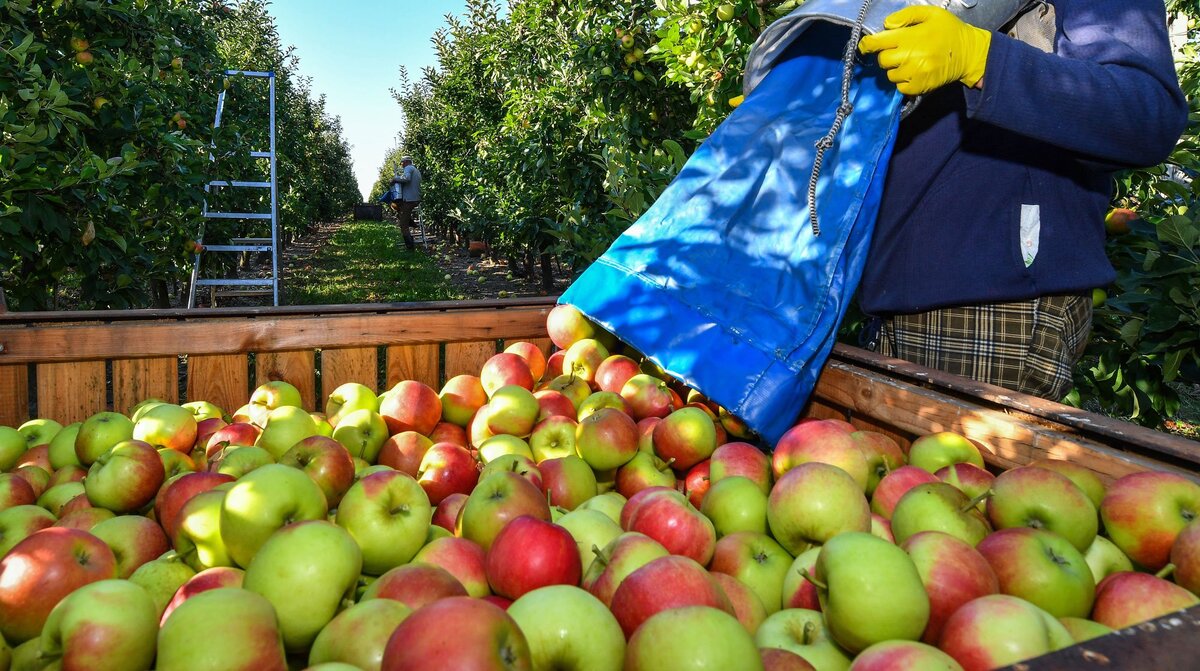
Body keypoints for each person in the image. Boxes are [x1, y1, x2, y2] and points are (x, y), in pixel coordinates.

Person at [854, 1, 1187, 400]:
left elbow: (1144, 114)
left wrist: (982, 59)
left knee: (968, 462)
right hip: (894, 291)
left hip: (991, 299)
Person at [391, 155, 422, 250]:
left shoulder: (408, 168)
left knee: (403, 225)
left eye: (402, 163)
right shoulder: (416, 170)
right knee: (395, 205)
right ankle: (411, 222)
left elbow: (407, 179)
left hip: (409, 200)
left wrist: (395, 179)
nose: (402, 165)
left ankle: (410, 247)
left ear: (406, 162)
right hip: (415, 198)